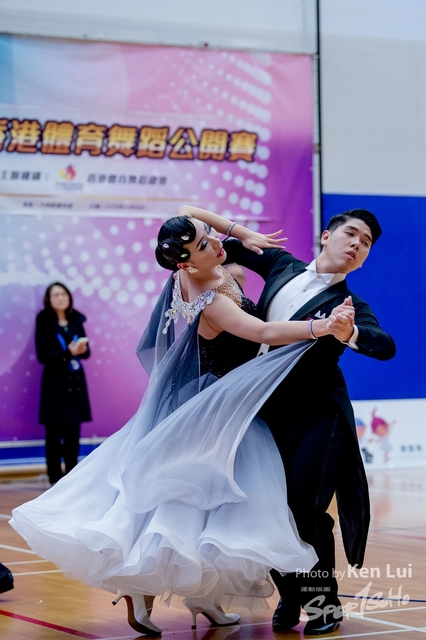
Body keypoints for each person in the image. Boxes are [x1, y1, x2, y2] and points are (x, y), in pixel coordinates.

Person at [10, 217, 351, 637]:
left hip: (222, 404)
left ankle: (204, 595)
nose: (216, 244)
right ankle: (145, 588)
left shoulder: (193, 271)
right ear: (185, 264)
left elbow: (189, 211)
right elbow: (262, 330)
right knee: (198, 510)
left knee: (211, 511)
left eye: (209, 236)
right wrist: (322, 326)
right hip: (218, 410)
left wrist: (237, 231)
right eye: (204, 245)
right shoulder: (209, 298)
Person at [178, 205, 396, 635]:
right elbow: (187, 216)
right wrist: (239, 231)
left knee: (304, 508)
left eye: (366, 243)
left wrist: (348, 332)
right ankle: (291, 596)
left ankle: (323, 605)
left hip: (319, 417)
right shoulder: (281, 263)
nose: (357, 244)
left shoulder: (350, 306)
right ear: (326, 236)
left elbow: (383, 345)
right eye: (351, 234)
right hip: (263, 411)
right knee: (268, 508)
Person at [35, 282, 92, 485]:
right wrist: (68, 352)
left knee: (72, 433)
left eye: (63, 294)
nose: (60, 298)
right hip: (54, 383)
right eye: (56, 295)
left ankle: (70, 479)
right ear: (49, 300)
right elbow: (43, 355)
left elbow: (87, 353)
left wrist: (81, 350)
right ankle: (54, 479)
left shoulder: (76, 320)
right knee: (53, 433)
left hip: (74, 383)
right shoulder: (44, 322)